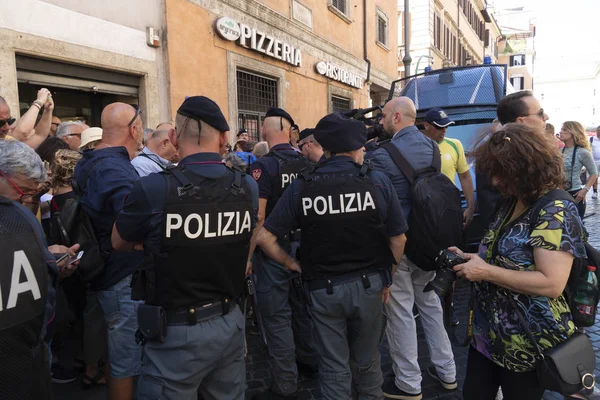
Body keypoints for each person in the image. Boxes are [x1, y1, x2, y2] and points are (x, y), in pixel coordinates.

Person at [111, 96, 258, 399]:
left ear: (175, 137)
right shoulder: (246, 187)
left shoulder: (153, 188)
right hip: (230, 322)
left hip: (176, 333)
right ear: (223, 138)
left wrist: (154, 239)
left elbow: (118, 242)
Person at [257, 113, 408, 399]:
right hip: (370, 285)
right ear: (355, 148)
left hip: (322, 289)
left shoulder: (304, 184)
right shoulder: (376, 179)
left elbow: (265, 236)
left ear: (325, 147)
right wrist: (389, 275)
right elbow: (398, 238)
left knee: (333, 366)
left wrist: (291, 263)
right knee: (368, 362)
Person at [450, 123, 584, 400]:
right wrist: (473, 259)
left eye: (503, 173)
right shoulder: (512, 201)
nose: (496, 181)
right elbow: (505, 257)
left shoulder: (556, 210)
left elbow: (551, 283)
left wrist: (486, 271)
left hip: (528, 340)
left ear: (527, 168)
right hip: (489, 335)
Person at [368, 97, 457, 400]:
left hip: (403, 245)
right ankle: (447, 372)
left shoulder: (382, 154)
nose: (379, 122)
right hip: (431, 242)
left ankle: (408, 383)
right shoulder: (432, 147)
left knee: (401, 311)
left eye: (382, 117)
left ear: (395, 117)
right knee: (431, 306)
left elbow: (380, 205)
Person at [73, 102, 144, 400]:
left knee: (120, 354)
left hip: (106, 272)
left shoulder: (91, 160)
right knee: (126, 361)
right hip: (121, 276)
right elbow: (132, 226)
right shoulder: (115, 169)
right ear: (134, 129)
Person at [0, 139, 79, 399]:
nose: (27, 202)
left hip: (28, 361)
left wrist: (47, 262)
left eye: (33, 196)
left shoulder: (21, 217)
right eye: (22, 192)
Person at [248, 107, 318, 400]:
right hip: (303, 247)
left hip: (273, 250)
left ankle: (285, 384)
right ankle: (309, 360)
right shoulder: (305, 163)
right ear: (290, 132)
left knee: (277, 317)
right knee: (301, 309)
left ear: (265, 132)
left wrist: (248, 256)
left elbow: (259, 217)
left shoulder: (264, 166)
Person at [477, 91, 550, 230]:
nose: (546, 117)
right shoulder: (497, 156)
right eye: (540, 113)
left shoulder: (541, 152)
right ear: (521, 121)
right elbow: (492, 210)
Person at [422, 107, 475, 227]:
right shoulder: (417, 147)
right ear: (426, 126)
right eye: (439, 127)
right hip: (424, 211)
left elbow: (465, 177)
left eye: (446, 126)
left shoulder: (455, 144)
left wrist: (470, 208)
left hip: (450, 207)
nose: (444, 130)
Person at [559, 121, 598, 219]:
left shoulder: (582, 152)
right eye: (561, 129)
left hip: (575, 194)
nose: (560, 132)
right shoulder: (559, 151)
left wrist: (585, 190)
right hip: (559, 193)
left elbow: (594, 173)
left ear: (573, 132)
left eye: (564, 130)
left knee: (574, 229)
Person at [589, 125, 600, 198]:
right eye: (598, 130)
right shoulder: (592, 139)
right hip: (594, 161)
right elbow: (588, 148)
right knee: (594, 176)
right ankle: (595, 192)